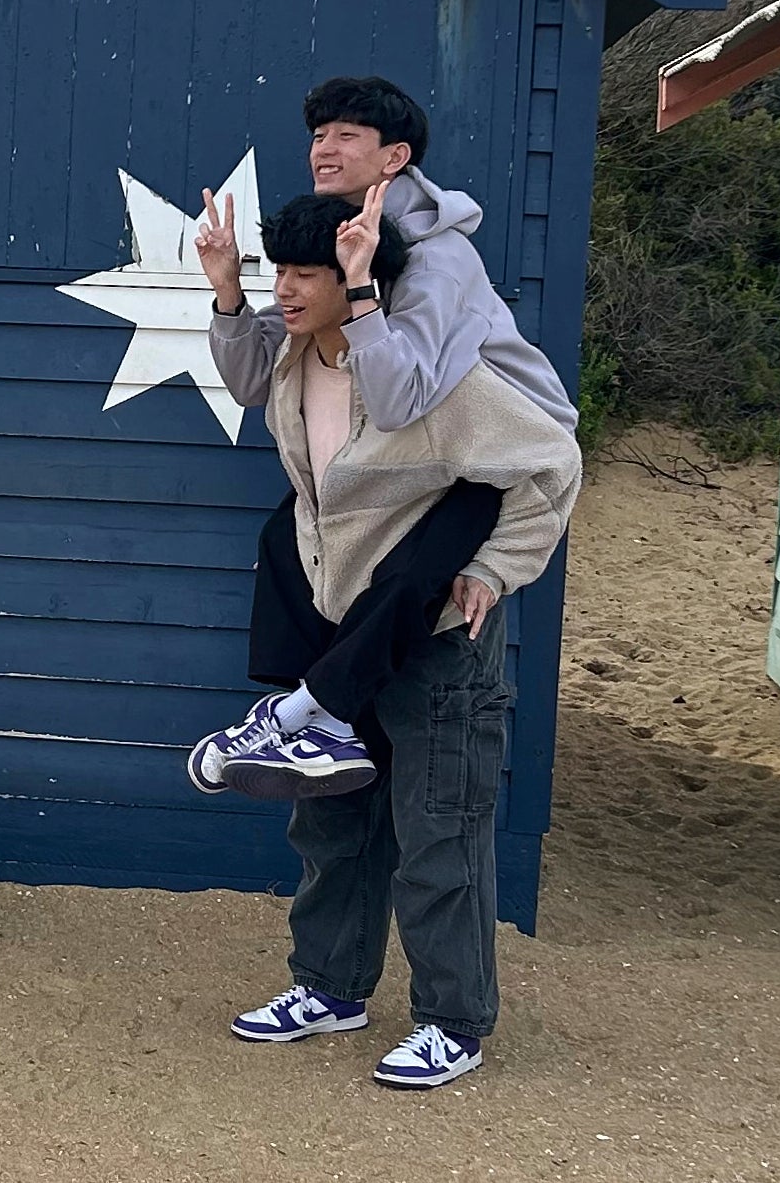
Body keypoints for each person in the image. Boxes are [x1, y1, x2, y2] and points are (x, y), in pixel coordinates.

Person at [197, 195, 579, 1091]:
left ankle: (454, 1021)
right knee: (329, 815)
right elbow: (248, 374)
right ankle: (329, 986)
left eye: (303, 276)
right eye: (277, 272)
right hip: (340, 628)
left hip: (436, 639)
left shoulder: (429, 384)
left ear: (356, 280)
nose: (283, 291)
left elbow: (551, 462)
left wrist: (494, 569)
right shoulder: (295, 355)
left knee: (438, 831)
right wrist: (225, 289)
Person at [186, 74, 578, 792]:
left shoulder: (435, 255)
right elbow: (259, 375)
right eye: (316, 135)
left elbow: (402, 399)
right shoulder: (329, 239)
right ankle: (302, 716)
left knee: (418, 566)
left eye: (345, 136)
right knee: (288, 531)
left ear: (393, 156)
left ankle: (304, 712)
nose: (322, 150)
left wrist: (362, 286)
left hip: (485, 447)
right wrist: (229, 296)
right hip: (398, 453)